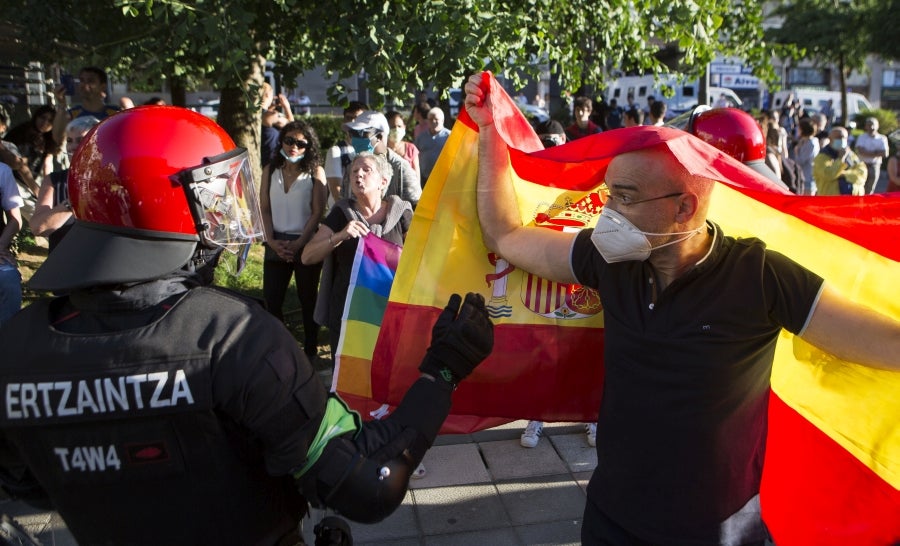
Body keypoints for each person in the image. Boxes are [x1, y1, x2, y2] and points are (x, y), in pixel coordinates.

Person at [0, 106, 494, 545]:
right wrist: (443, 370)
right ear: (178, 206)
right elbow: (370, 482)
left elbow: (23, 482)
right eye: (216, 196)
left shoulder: (17, 346)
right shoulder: (233, 337)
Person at [464, 72, 900, 545]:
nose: (607, 213)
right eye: (610, 194)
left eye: (625, 198)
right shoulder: (608, 258)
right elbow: (504, 237)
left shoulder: (760, 275)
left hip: (719, 531)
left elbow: (889, 345)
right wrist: (491, 132)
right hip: (612, 519)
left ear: (684, 208)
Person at [519, 119, 597, 450]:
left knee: (586, 350)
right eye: (547, 141)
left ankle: (593, 418)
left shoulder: (586, 178)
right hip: (544, 278)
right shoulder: (531, 182)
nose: (553, 146)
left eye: (558, 141)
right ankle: (537, 418)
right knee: (544, 352)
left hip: (580, 278)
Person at [259, 120, 327, 361]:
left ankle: (310, 349)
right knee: (271, 300)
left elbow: (317, 212)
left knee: (308, 298)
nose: (294, 147)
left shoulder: (316, 172)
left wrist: (299, 244)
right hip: (275, 242)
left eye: (301, 143)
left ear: (309, 147)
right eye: (289, 141)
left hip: (305, 242)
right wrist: (270, 240)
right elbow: (264, 209)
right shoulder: (270, 169)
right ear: (281, 141)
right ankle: (282, 348)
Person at [29, 116, 100, 251]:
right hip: (63, 263)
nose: (73, 147)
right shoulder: (54, 181)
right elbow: (38, 228)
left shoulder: (111, 181)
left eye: (80, 140)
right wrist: (71, 203)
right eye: (69, 141)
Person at [340, 110, 420, 206]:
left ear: (380, 136)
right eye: (353, 133)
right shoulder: (352, 168)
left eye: (361, 134)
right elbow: (344, 203)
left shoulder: (401, 168)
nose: (355, 139)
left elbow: (417, 208)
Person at [50, 66, 119, 150]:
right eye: (82, 80)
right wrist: (61, 104)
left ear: (103, 86)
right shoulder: (72, 114)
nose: (85, 85)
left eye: (91, 81)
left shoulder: (115, 114)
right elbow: (58, 139)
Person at [324, 101, 368, 204]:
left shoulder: (371, 150)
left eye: (357, 118)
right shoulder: (336, 152)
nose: (353, 122)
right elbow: (336, 190)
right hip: (342, 213)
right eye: (349, 118)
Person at [813, 125, 867, 196]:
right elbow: (828, 175)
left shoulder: (851, 155)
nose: (842, 140)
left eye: (844, 138)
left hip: (852, 199)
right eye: (838, 137)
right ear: (830, 138)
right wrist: (840, 159)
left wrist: (843, 174)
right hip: (830, 200)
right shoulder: (822, 156)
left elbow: (862, 174)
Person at [0, 161, 22, 327]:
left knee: (9, 279)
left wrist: (1, 245)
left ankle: (7, 339)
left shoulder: (3, 171)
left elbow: (15, 220)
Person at [414, 107, 451, 186]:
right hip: (425, 178)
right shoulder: (421, 137)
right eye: (430, 119)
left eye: (436, 119)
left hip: (444, 179)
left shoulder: (450, 136)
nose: (433, 121)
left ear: (442, 120)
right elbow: (415, 155)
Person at [854, 117, 889, 194]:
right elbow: (860, 151)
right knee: (860, 186)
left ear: (877, 126)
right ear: (866, 126)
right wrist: (876, 153)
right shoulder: (861, 137)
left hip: (874, 165)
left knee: (870, 188)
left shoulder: (882, 138)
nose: (871, 127)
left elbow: (885, 153)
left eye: (873, 125)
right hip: (862, 165)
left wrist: (868, 153)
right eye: (869, 125)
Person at [386, 110, 420, 182]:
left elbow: (417, 177)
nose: (396, 129)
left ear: (404, 127)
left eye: (399, 126)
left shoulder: (411, 149)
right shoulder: (380, 149)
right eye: (392, 127)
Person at [794, 118, 820, 195]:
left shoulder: (811, 143)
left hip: (808, 178)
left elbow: (801, 160)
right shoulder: (804, 141)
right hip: (803, 176)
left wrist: (796, 152)